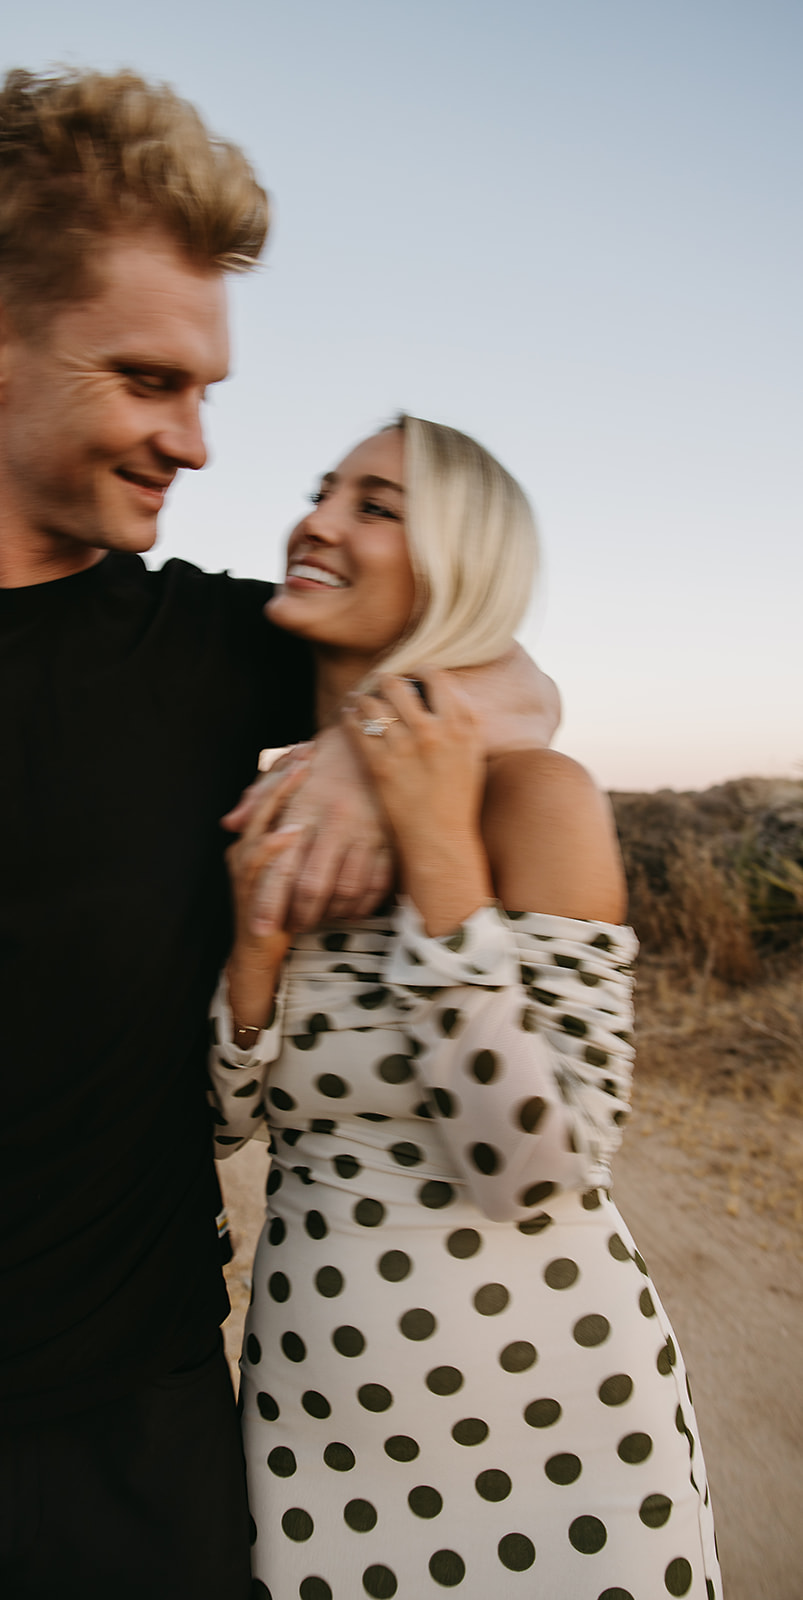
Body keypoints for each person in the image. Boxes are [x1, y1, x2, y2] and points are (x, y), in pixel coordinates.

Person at [0, 71, 555, 1600]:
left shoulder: (227, 649)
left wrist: (372, 762)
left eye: (206, 390)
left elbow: (513, 666)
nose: (193, 442)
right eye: (144, 380)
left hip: (143, 1448)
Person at [211, 416, 722, 1599]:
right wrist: (256, 940)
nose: (318, 522)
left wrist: (439, 853)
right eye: (321, 491)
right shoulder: (270, 801)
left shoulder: (537, 798)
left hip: (554, 1426)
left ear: (461, 568)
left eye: (375, 505)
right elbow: (223, 1121)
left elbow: (538, 1163)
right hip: (312, 1416)